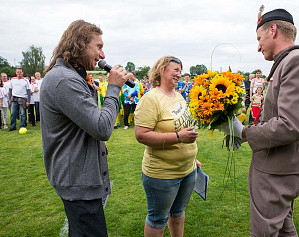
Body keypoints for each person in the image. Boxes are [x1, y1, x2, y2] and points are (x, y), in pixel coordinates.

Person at [224, 6, 299, 236]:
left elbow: (290, 125)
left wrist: (243, 133)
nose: (258, 47)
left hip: (278, 168)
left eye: (259, 39)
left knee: (264, 232)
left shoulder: (297, 62)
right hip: (279, 165)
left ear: (274, 30)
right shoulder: (289, 61)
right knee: (284, 229)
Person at [40, 19, 133, 236]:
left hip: (80, 178)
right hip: (77, 182)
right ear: (80, 44)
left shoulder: (72, 76)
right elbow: (102, 128)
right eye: (98, 47)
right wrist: (113, 88)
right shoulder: (64, 80)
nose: (102, 56)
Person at [134, 56, 200, 237]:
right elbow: (141, 135)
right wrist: (179, 137)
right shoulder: (151, 98)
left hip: (188, 169)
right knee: (158, 219)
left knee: (178, 213)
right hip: (162, 174)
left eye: (181, 70)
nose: (180, 74)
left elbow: (183, 127)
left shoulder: (178, 96)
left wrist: (193, 157)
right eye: (176, 70)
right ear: (162, 70)